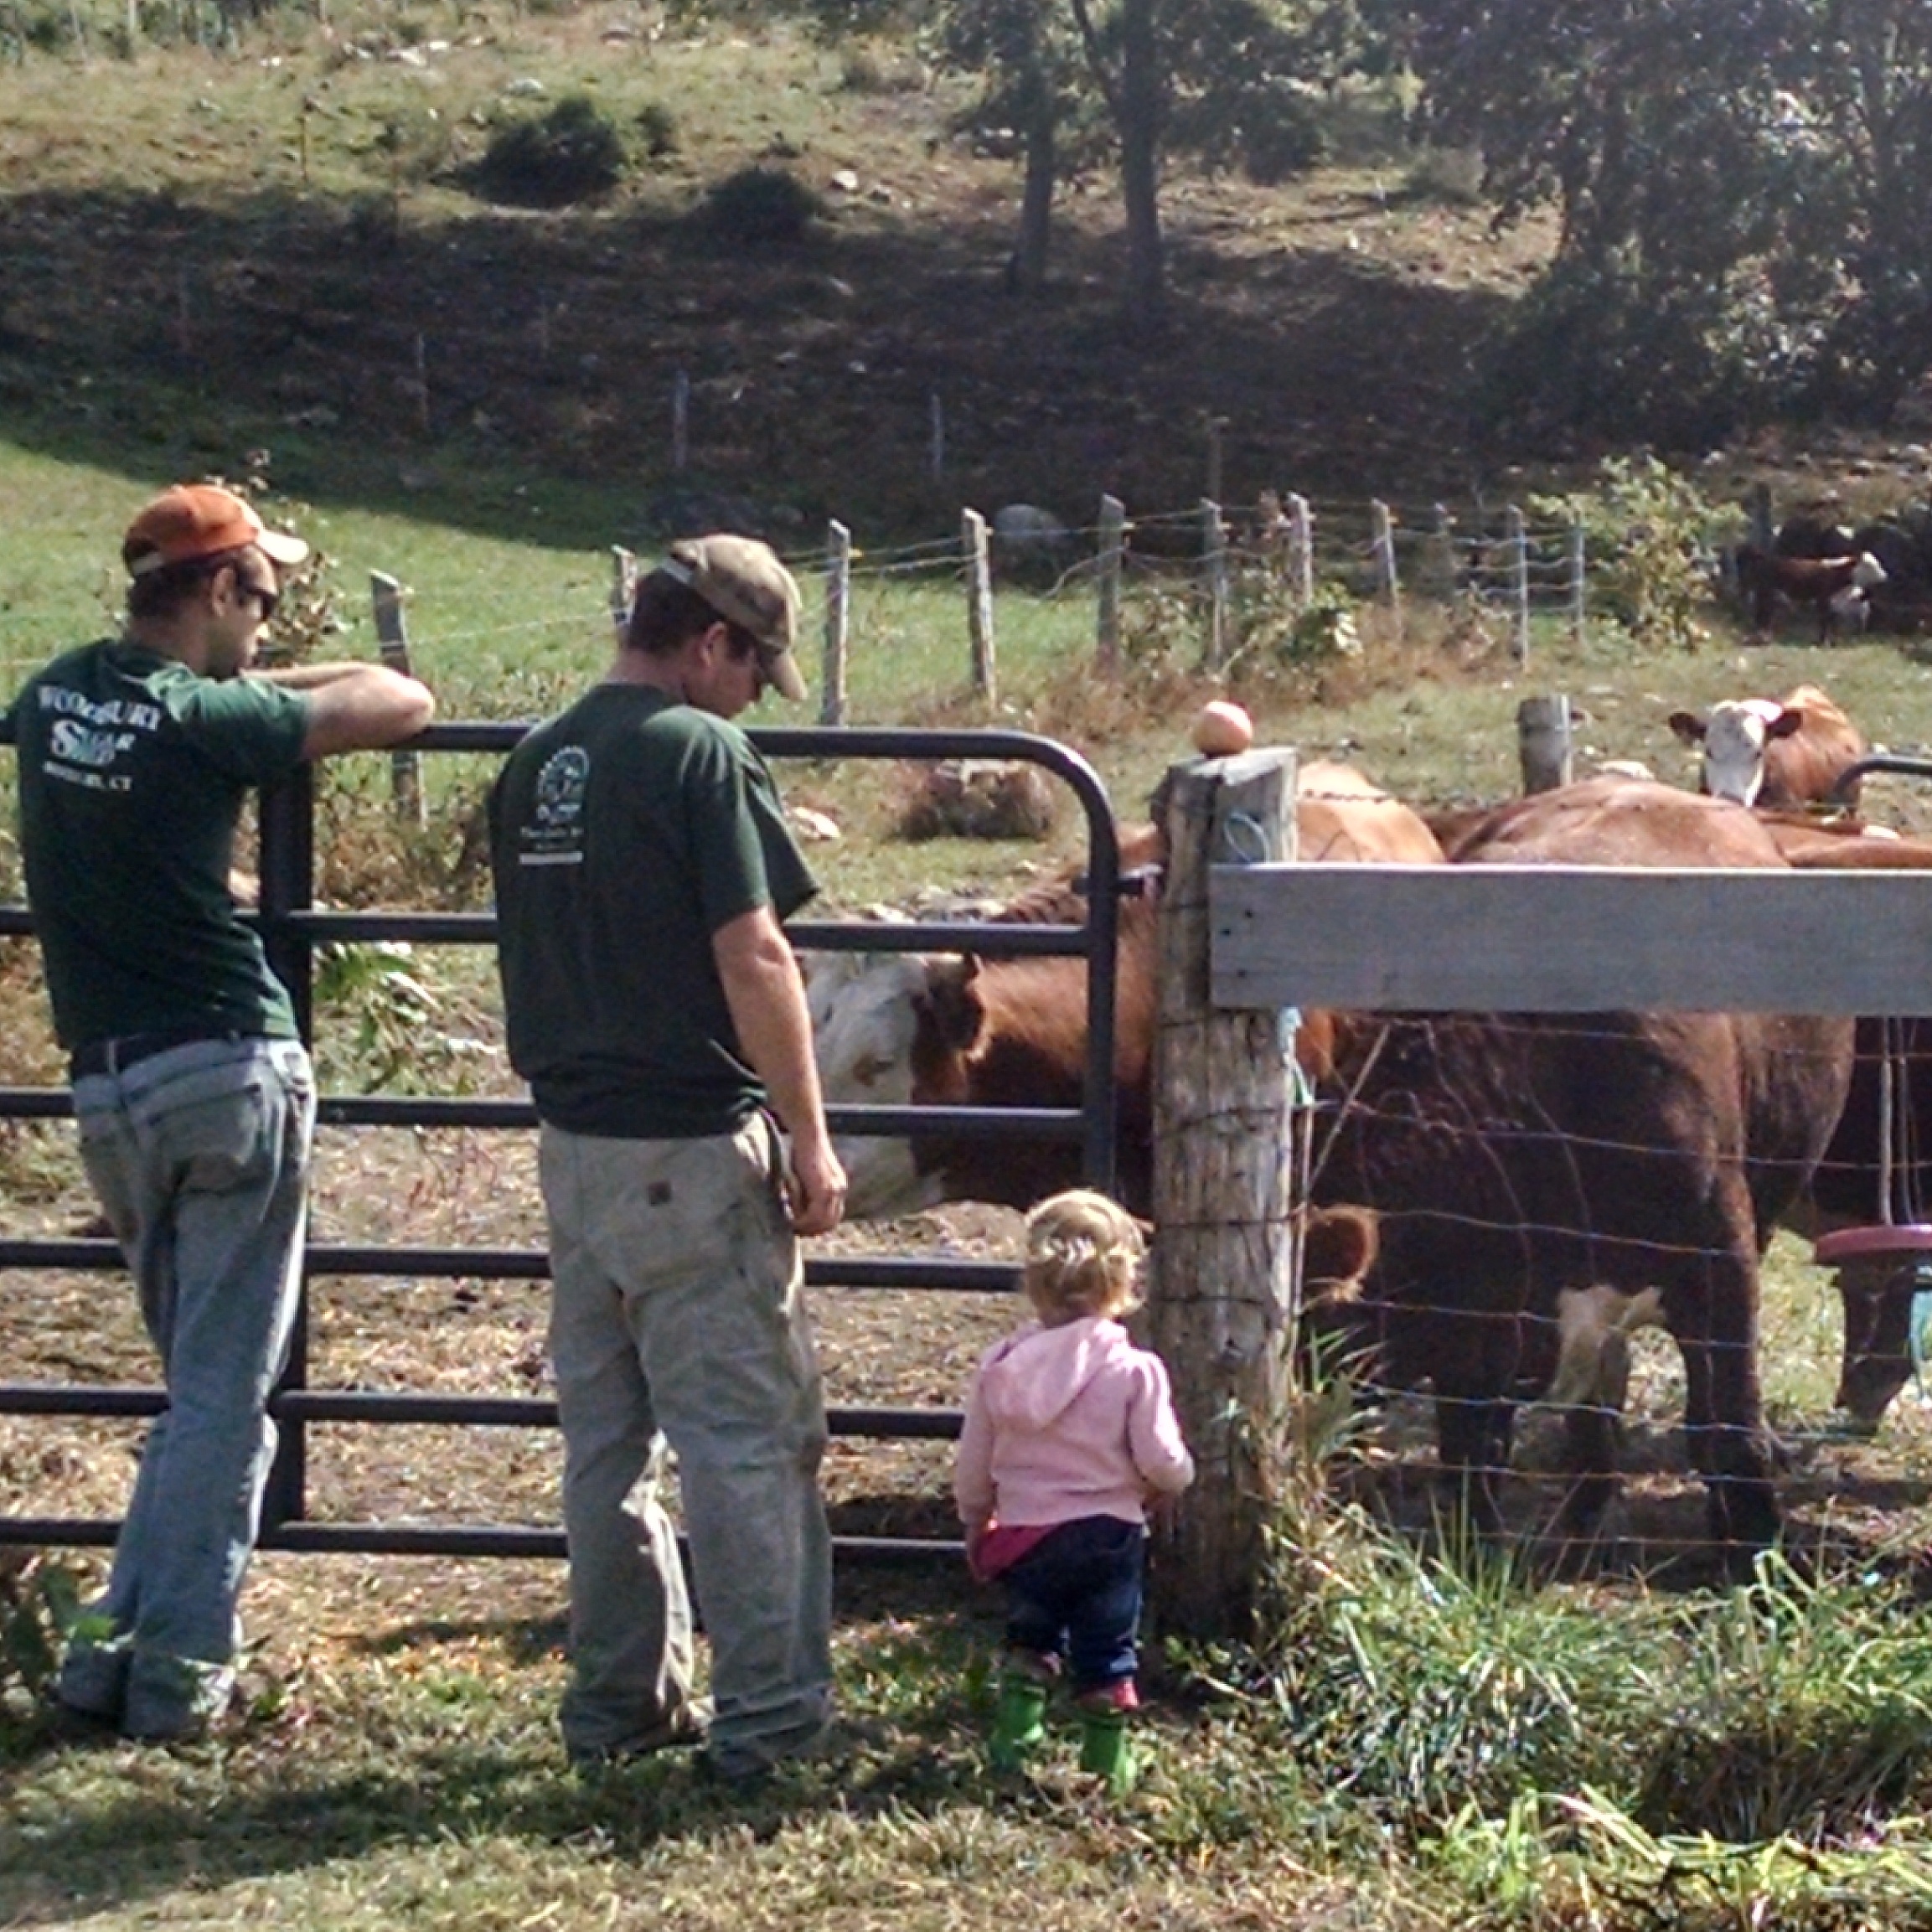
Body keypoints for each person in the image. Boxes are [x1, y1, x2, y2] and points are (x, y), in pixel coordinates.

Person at [8, 481, 436, 1742]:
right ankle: (185, 1668)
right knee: (223, 1394)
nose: (269, 622)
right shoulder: (210, 717)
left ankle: (104, 1653)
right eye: (260, 596)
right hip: (229, 1064)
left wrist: (238, 663)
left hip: (110, 1084)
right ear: (213, 591)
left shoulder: (50, 694)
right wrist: (258, 676)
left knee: (195, 1385)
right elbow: (400, 700)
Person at [487, 533, 848, 1783]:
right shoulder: (700, 751)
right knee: (746, 1436)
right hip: (688, 1145)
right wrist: (806, 1133)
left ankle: (618, 1703)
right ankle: (770, 1717)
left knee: (606, 1442)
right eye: (754, 667)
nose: (755, 695)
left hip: (573, 1147)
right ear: (711, 643)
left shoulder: (535, 760)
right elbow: (754, 954)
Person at [953, 1188, 1195, 1793]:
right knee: (1107, 1647)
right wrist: (1177, 1481)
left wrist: (974, 1516)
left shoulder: (1001, 1364)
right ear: (1123, 1282)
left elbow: (974, 1460)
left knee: (1030, 1633)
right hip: (1107, 1536)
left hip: (1026, 1534)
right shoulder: (1135, 1371)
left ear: (1034, 1280)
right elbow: (1160, 1458)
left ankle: (1013, 1738)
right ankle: (1106, 1762)